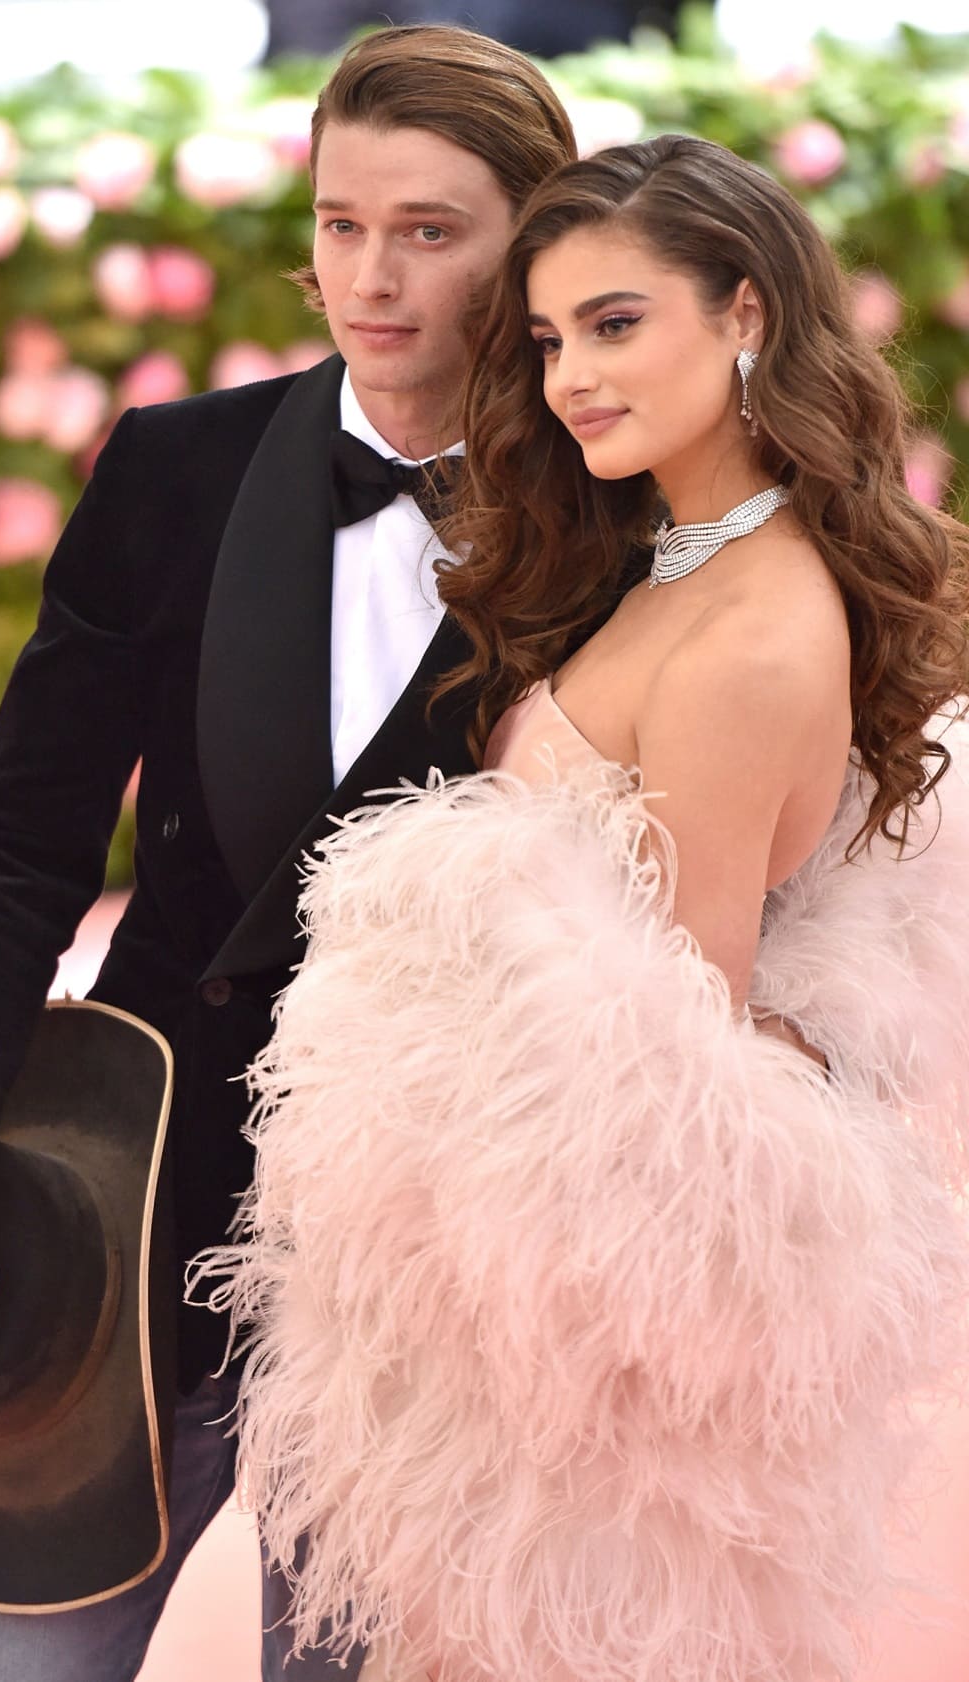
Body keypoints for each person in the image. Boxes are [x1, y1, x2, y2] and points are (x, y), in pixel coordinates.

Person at [0, 25, 578, 1682]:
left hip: (437, 1266)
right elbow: (20, 843)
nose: (369, 277)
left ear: (533, 243)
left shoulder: (615, 518)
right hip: (137, 1195)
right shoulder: (177, 472)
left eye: (431, 230)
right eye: (339, 223)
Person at [198, 135, 969, 1682]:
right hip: (473, 1348)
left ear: (744, 313)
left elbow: (672, 1063)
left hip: (566, 1412)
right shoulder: (673, 559)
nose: (569, 379)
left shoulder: (752, 634)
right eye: (550, 338)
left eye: (617, 325)